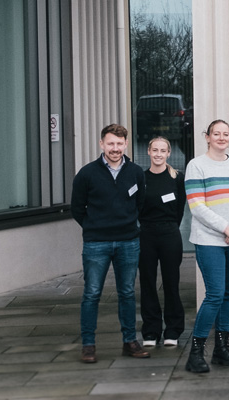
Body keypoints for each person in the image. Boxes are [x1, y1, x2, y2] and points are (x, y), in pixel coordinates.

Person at [71, 123, 150, 363]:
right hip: (97, 243)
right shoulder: (87, 173)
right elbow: (77, 208)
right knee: (92, 293)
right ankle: (88, 345)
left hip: (128, 242)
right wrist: (95, 227)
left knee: (127, 293)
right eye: (110, 143)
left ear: (126, 144)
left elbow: (140, 204)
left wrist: (127, 225)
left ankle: (129, 341)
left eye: (119, 143)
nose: (115, 148)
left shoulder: (136, 172)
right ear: (101, 144)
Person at [183, 119, 229, 372]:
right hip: (209, 240)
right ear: (207, 137)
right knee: (214, 294)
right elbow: (197, 207)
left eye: (226, 134)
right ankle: (196, 353)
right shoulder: (196, 166)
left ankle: (221, 349)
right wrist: (226, 229)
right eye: (217, 134)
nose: (222, 138)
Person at [137, 137, 187, 349]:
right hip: (146, 234)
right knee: (147, 284)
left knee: (171, 283)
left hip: (169, 233)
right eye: (154, 150)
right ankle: (151, 330)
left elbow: (180, 209)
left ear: (168, 153)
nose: (158, 154)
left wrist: (169, 227)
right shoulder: (140, 178)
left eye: (163, 150)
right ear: (148, 152)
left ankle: (173, 330)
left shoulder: (177, 178)